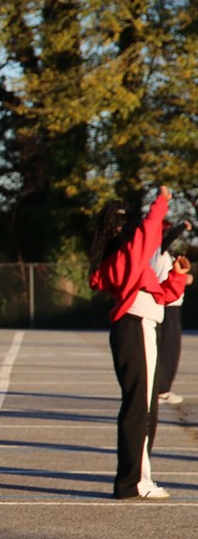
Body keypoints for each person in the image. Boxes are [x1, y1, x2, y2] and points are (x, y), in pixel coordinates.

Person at [88, 187, 190, 500]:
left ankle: (135, 478)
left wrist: (176, 276)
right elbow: (147, 235)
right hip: (135, 330)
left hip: (140, 328)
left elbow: (161, 294)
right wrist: (162, 200)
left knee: (143, 407)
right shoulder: (123, 257)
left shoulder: (127, 261)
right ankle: (133, 481)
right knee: (140, 408)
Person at [155, 219, 190, 405]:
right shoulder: (157, 249)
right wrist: (182, 226)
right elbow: (166, 238)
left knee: (171, 349)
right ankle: (162, 389)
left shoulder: (162, 254)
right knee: (168, 349)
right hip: (168, 304)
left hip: (172, 303)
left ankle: (163, 387)